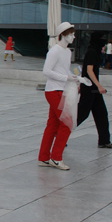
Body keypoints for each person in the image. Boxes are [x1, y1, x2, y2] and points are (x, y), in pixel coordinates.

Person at [39, 22, 88, 170]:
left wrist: (75, 78)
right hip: (54, 91)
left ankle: (44, 158)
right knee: (67, 124)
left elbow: (64, 70)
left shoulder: (67, 51)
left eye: (74, 34)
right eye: (71, 34)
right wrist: (66, 78)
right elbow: (46, 71)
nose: (74, 36)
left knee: (53, 124)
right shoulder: (55, 51)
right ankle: (56, 157)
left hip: (61, 90)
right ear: (63, 34)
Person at [76, 35, 112, 149]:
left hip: (92, 89)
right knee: (81, 115)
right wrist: (99, 86)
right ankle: (60, 135)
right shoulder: (92, 52)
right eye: (102, 43)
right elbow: (89, 70)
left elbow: (83, 70)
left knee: (102, 114)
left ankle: (104, 141)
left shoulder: (93, 51)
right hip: (90, 89)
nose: (103, 45)